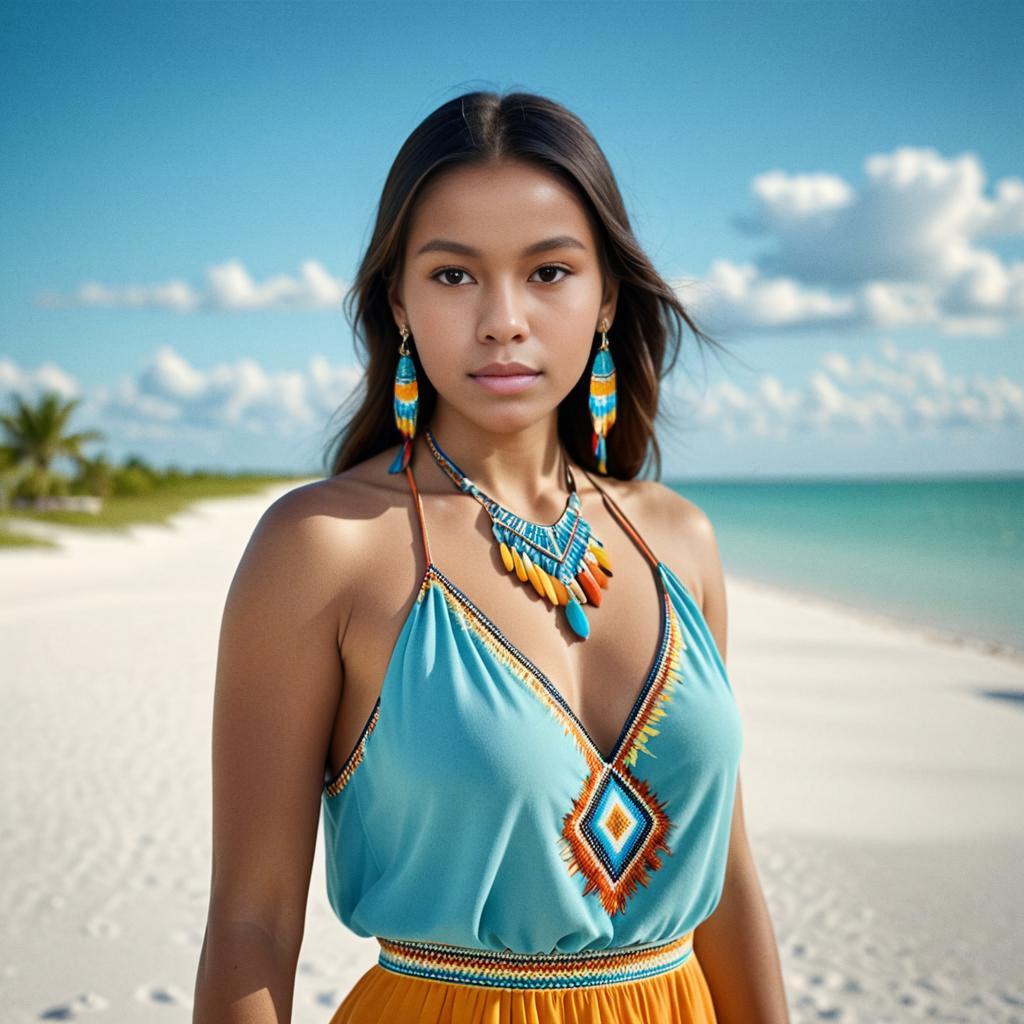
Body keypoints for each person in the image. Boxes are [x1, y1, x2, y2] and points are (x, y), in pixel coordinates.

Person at [193, 90, 790, 1024]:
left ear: (607, 299)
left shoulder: (680, 540)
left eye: (550, 272)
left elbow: (729, 886)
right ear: (398, 301)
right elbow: (251, 924)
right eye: (454, 276)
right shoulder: (322, 549)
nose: (504, 319)